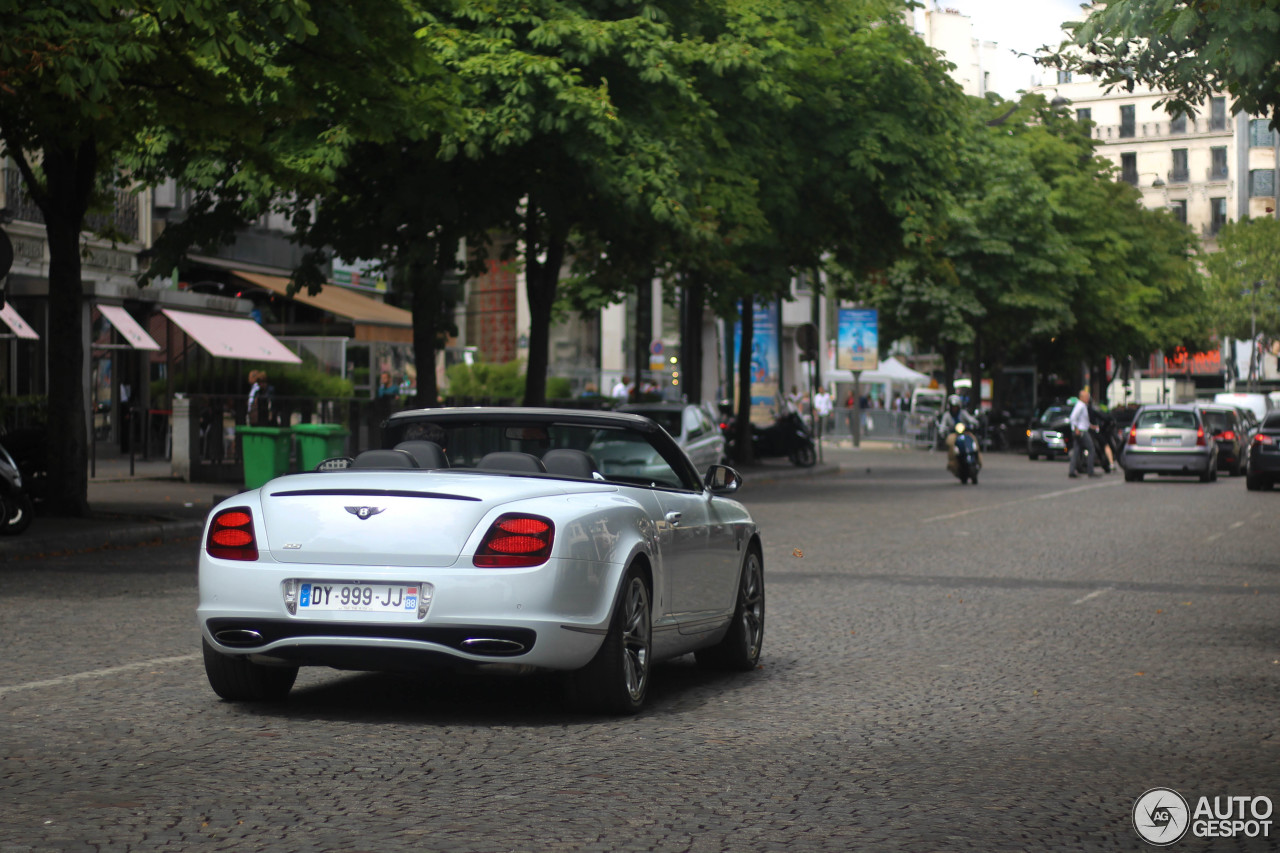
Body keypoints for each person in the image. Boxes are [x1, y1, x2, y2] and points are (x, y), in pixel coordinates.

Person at [939, 394, 980, 475]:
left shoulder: (963, 413)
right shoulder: (947, 415)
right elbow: (942, 425)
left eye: (956, 406)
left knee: (974, 440)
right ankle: (953, 462)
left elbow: (970, 419)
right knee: (950, 443)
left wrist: (975, 423)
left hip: (964, 433)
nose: (954, 408)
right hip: (953, 434)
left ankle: (978, 460)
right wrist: (942, 430)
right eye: (953, 407)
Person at [1068, 388, 1101, 478]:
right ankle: (1090, 471)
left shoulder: (1082, 405)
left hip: (1081, 430)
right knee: (1091, 449)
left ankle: (1072, 471)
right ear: (1081, 397)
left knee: (1076, 450)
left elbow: (1083, 421)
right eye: (1086, 397)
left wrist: (1092, 426)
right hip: (1081, 432)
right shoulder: (1081, 406)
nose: (1088, 399)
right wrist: (1076, 428)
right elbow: (1073, 417)